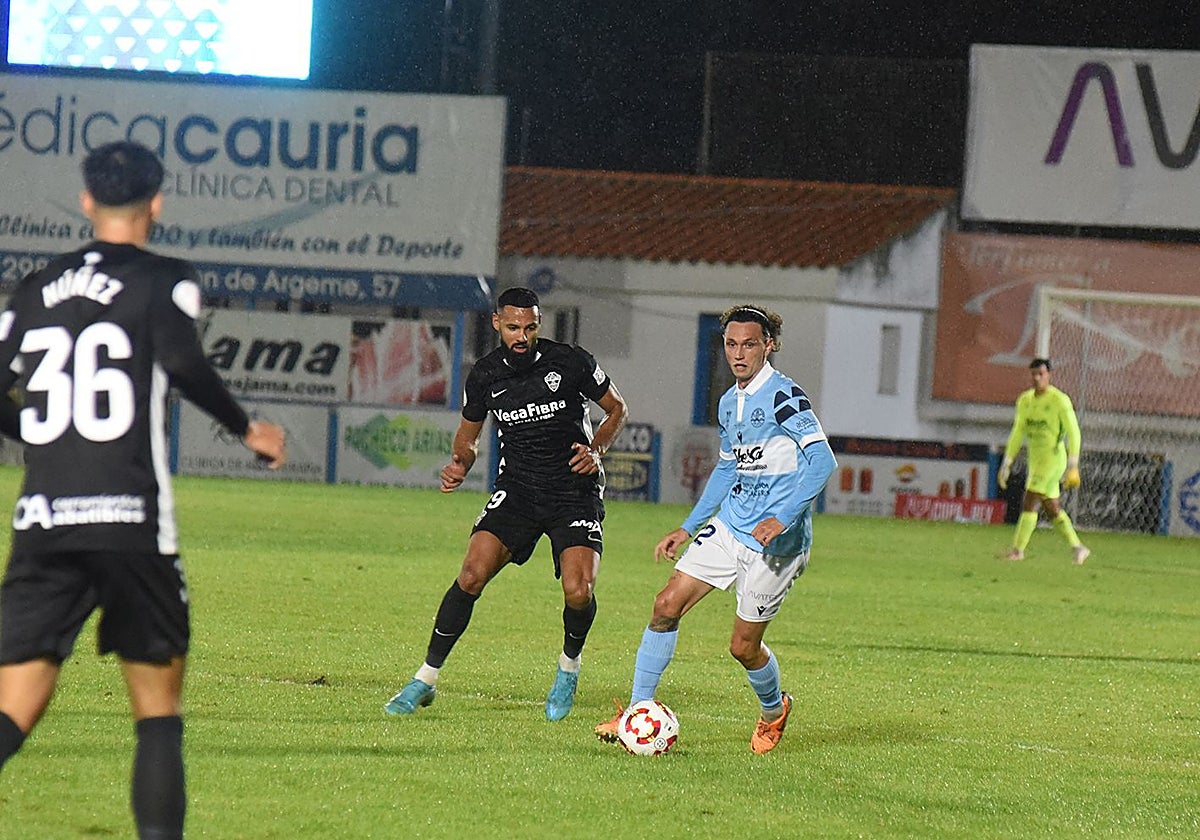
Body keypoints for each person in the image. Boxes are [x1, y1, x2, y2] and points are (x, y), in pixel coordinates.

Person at [0, 141, 286, 840]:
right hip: (132, 524)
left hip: (45, 521)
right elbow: (183, 360)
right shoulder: (166, 280)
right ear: (157, 203)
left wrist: (37, 431)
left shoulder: (36, 286)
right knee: (157, 715)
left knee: (13, 710)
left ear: (86, 200)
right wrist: (246, 428)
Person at [595, 304, 835, 754]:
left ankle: (773, 710)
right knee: (665, 605)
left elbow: (822, 461)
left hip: (776, 545)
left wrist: (782, 517)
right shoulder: (729, 403)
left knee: (743, 647)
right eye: (731, 344)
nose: (738, 354)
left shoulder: (785, 396)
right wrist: (687, 527)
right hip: (731, 527)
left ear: (769, 345)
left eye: (749, 344)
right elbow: (727, 470)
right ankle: (637, 710)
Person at [385, 287, 628, 721]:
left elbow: (617, 409)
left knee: (579, 589)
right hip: (517, 489)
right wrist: (460, 462)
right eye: (513, 327)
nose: (522, 336)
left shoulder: (570, 361)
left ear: (538, 324)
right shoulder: (484, 375)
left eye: (530, 327)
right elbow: (469, 435)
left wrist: (597, 449)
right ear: (497, 322)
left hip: (573, 489)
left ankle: (568, 669)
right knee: (471, 573)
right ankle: (425, 679)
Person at [997, 358, 1089, 564]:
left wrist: (1073, 465)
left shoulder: (1059, 400)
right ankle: (1078, 547)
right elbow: (1018, 432)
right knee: (1052, 508)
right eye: (1034, 374)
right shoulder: (1025, 400)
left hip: (1054, 461)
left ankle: (1017, 551)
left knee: (1030, 500)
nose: (1037, 378)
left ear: (1049, 375)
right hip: (1036, 462)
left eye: (1041, 374)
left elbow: (1074, 433)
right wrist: (1007, 462)